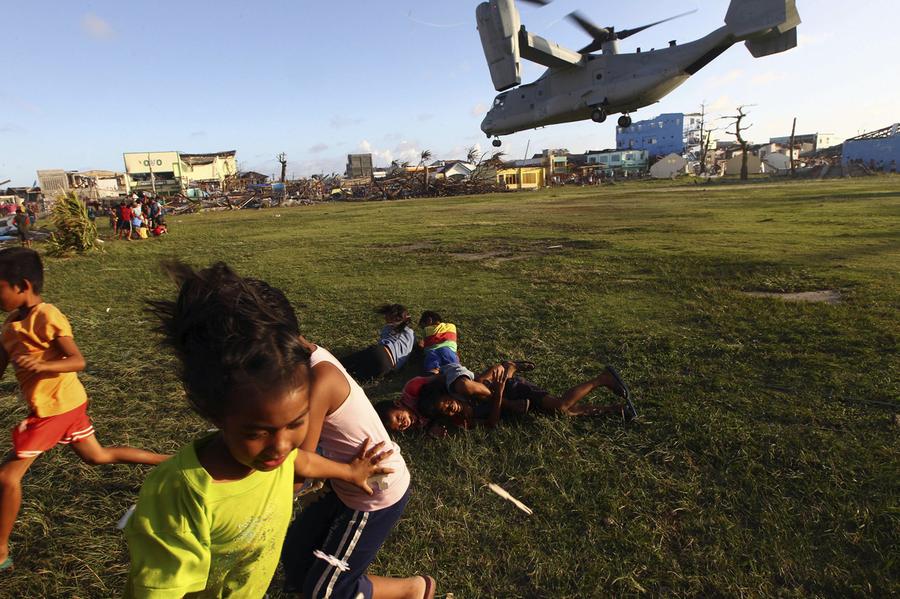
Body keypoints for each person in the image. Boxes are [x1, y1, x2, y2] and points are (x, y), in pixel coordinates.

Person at [123, 262, 394, 597]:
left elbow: (301, 461)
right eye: (257, 432)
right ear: (215, 413)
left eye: (297, 424)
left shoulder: (272, 458)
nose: (281, 445)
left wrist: (349, 471)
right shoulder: (182, 493)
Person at [0, 248, 169, 573]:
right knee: (97, 456)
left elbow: (77, 360)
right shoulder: (10, 326)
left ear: (22, 285)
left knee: (7, 477)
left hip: (56, 408)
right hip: (63, 404)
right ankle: (171, 462)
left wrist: (41, 363)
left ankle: (1, 550)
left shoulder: (47, 316)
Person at [281, 333, 436, 598]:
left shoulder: (319, 380)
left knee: (326, 592)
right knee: (296, 552)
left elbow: (300, 467)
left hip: (372, 489)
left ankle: (414, 589)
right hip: (344, 481)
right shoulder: (311, 357)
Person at [380, 361, 636, 434]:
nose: (402, 423)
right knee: (566, 413)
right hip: (501, 393)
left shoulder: (415, 390)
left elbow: (440, 377)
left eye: (397, 418)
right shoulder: (451, 418)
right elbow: (488, 424)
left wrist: (501, 393)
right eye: (447, 410)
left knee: (559, 406)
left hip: (512, 389)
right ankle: (616, 410)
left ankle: (602, 378)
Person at [340, 304, 416, 381]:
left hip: (379, 352)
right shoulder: (411, 334)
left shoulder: (387, 328)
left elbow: (382, 342)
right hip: (387, 368)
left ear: (393, 318)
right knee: (351, 378)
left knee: (342, 364)